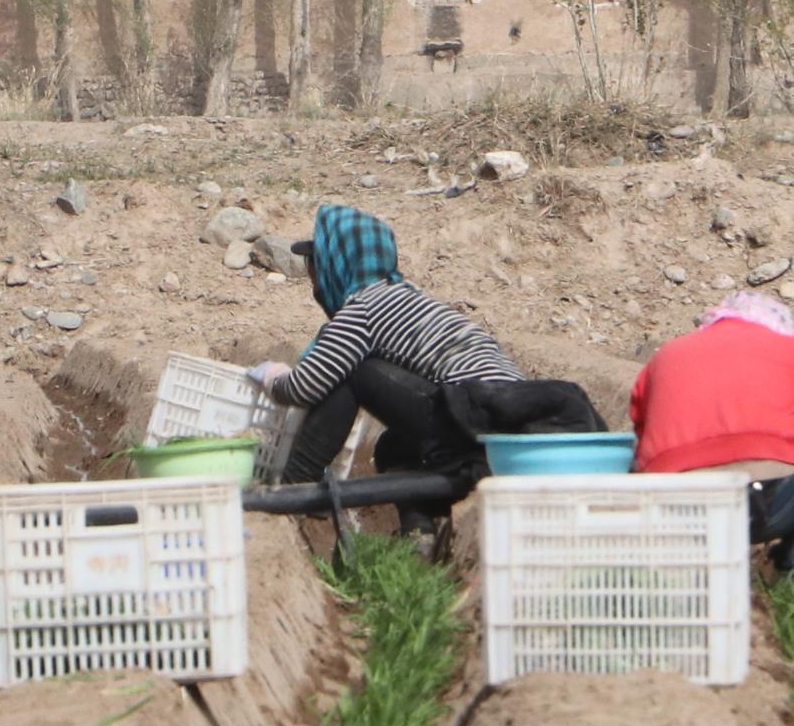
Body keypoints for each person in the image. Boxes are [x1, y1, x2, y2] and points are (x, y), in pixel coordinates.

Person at [248, 203, 595, 518]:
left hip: (474, 417)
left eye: (314, 264)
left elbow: (304, 388)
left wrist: (273, 377)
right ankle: (421, 536)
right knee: (392, 447)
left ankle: (294, 488)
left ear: (333, 265)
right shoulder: (407, 299)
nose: (312, 277)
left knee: (354, 373)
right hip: (506, 425)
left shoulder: (363, 309)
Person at [628, 291, 794, 584]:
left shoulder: (665, 357)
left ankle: (681, 588)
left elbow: (643, 442)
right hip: (777, 500)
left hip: (681, 509)